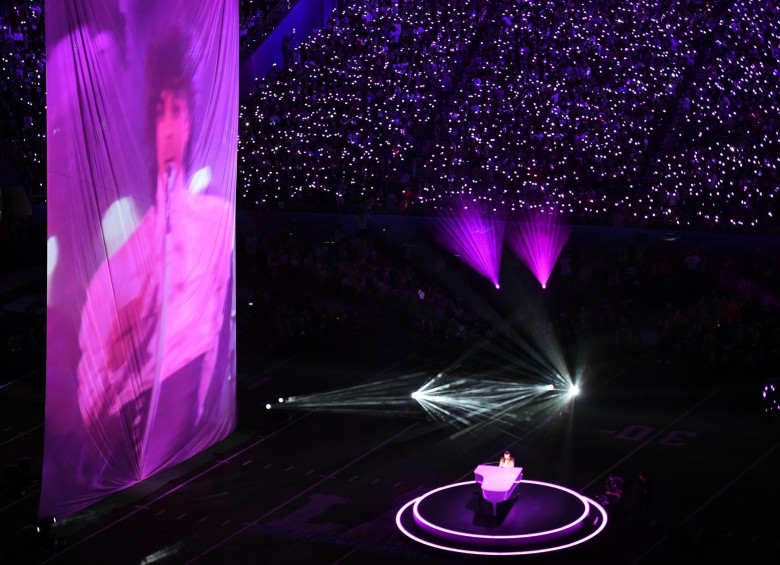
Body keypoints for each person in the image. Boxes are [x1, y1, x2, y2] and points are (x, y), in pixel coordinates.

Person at [76, 25, 234, 480]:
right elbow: (91, 393)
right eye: (159, 113)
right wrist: (116, 361)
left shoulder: (216, 222)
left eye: (177, 110)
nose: (168, 127)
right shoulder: (122, 264)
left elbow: (215, 333)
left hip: (190, 412)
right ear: (149, 124)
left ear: (189, 121)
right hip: (135, 417)